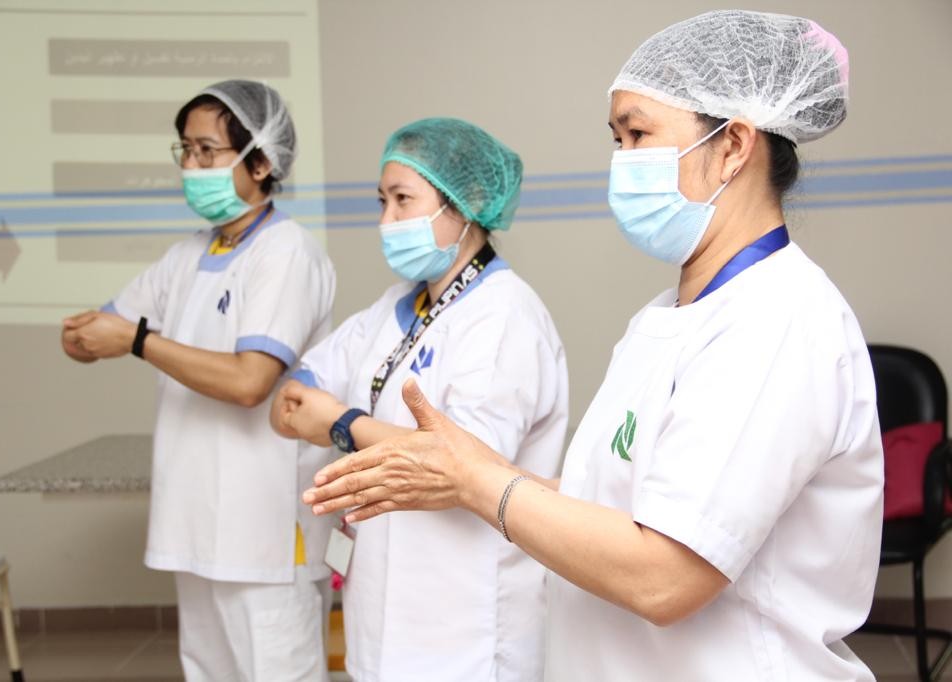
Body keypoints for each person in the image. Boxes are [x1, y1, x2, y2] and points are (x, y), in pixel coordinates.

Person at [302, 11, 884, 681]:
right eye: (616, 139)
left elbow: (665, 578)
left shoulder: (776, 321)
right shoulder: (665, 318)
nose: (621, 162)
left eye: (638, 135)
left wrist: (475, 480)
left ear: (732, 147)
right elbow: (608, 505)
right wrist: (460, 467)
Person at [270, 117, 568, 681]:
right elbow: (292, 397)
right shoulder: (394, 307)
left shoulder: (503, 315)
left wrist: (340, 424)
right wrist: (319, 414)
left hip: (466, 620)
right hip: (382, 607)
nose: (386, 221)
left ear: (466, 203)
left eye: (403, 200)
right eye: (382, 201)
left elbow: (467, 463)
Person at [60, 80, 336, 682]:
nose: (191, 165)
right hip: (195, 522)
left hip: (263, 529)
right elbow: (87, 338)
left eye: (207, 151)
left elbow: (249, 382)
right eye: (185, 150)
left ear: (261, 162)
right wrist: (88, 337)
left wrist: (136, 340)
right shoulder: (186, 256)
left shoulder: (286, 253)